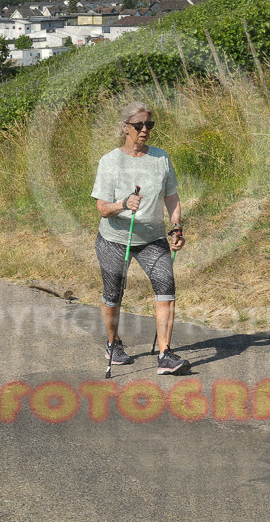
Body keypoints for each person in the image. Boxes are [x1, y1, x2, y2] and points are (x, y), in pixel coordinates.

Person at [91, 102, 188, 375]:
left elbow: (171, 196)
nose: (145, 130)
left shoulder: (160, 158)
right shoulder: (110, 161)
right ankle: (113, 343)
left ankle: (165, 354)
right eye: (138, 125)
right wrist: (123, 203)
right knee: (113, 294)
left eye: (149, 125)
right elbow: (102, 208)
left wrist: (176, 227)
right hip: (114, 238)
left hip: (152, 238)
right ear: (125, 128)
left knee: (166, 289)